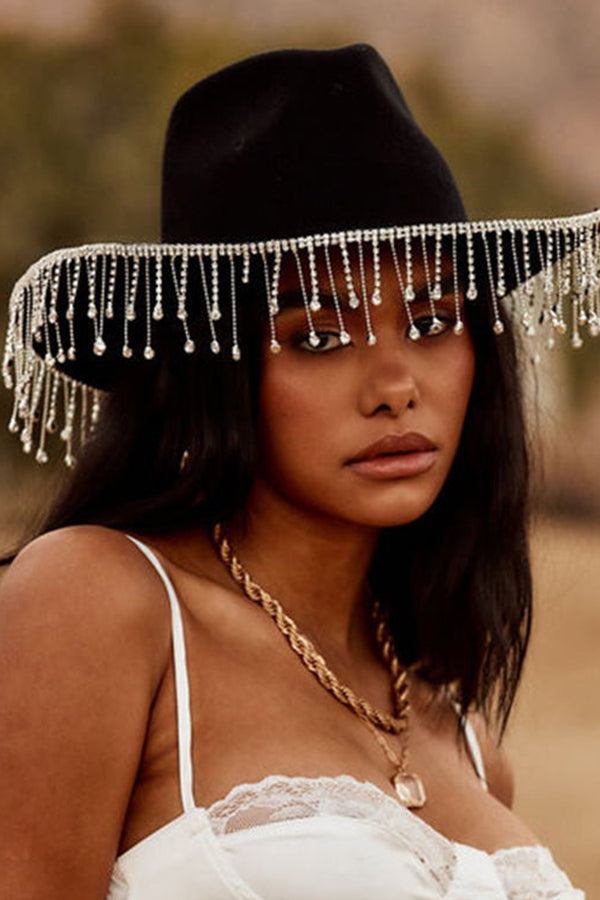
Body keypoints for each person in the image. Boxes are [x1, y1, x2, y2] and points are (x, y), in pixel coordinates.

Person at [0, 44, 595, 899]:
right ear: (216, 368)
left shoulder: (467, 743)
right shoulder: (102, 601)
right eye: (318, 335)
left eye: (432, 321)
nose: (397, 386)